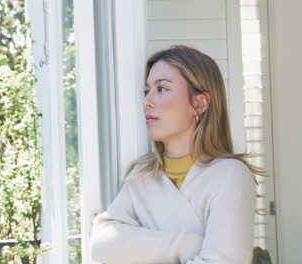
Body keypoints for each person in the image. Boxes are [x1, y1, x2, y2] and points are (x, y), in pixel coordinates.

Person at [89, 45, 264, 264]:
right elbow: (102, 244)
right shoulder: (141, 175)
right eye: (147, 91)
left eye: (161, 89)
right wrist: (189, 245)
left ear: (199, 103)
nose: (147, 101)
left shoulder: (230, 175)